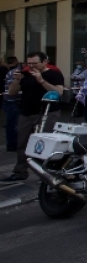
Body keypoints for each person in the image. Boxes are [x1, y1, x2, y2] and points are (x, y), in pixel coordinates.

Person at [1, 52, 65, 182]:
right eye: (29, 63)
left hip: (47, 113)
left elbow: (58, 92)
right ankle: (20, 171)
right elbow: (12, 92)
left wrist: (41, 80)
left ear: (44, 62)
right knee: (22, 142)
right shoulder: (25, 74)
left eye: (35, 63)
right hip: (26, 112)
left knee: (45, 143)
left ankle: (47, 172)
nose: (31, 66)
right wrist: (17, 80)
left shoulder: (54, 74)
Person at [3, 57, 20, 152]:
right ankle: (12, 144)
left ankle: (13, 144)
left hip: (12, 101)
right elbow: (11, 89)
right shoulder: (14, 73)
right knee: (13, 124)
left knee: (13, 124)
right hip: (12, 101)